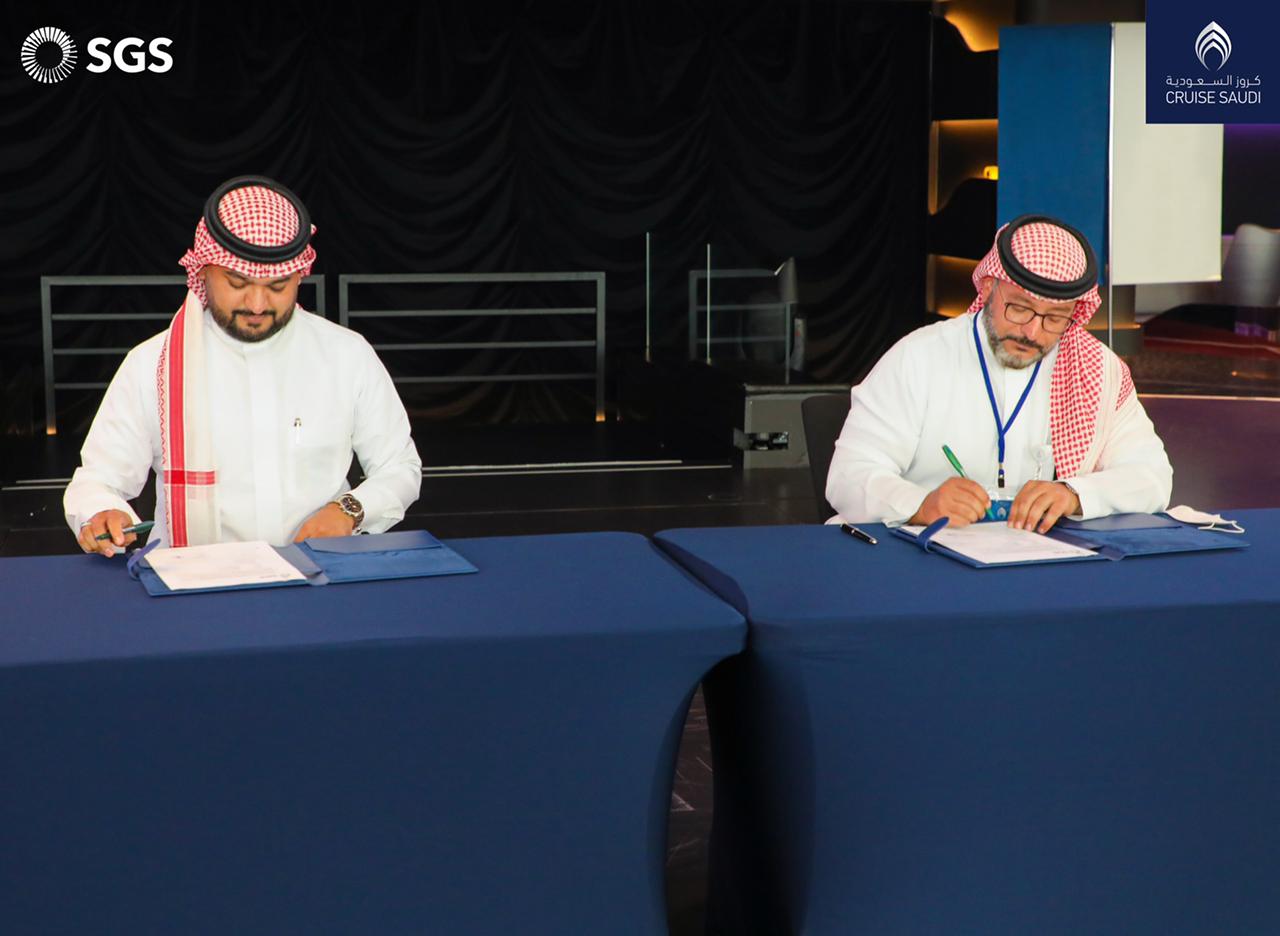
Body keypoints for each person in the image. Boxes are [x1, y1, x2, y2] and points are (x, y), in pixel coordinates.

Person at [65, 175, 422, 556]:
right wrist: (101, 511)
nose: (256, 304)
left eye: (277, 286)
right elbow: (99, 480)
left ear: (299, 275)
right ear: (204, 272)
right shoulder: (152, 365)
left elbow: (399, 466)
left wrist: (348, 511)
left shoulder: (346, 355)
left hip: (322, 572)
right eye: (237, 283)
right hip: (192, 578)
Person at [826, 214, 1172, 532]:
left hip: (1039, 558)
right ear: (989, 288)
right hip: (926, 550)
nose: (1032, 332)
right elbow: (849, 474)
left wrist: (1074, 494)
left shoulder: (1098, 370)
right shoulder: (919, 357)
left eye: (1054, 318)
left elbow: (1152, 476)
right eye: (1019, 308)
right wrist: (920, 504)